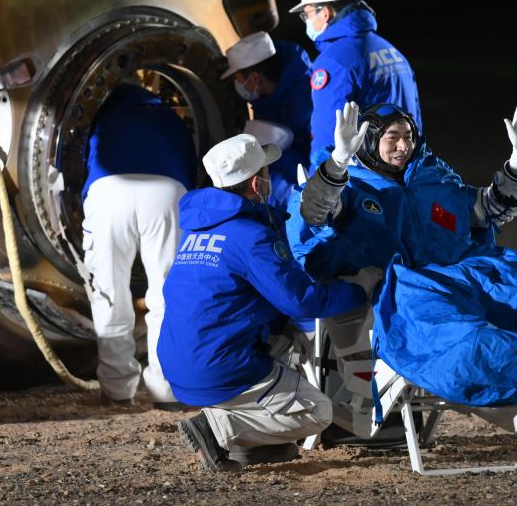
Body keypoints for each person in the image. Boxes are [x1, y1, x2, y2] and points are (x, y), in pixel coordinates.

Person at [287, 100, 517, 408]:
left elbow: (487, 209)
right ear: (370, 140)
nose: (403, 145)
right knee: (470, 342)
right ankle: (510, 366)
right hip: (410, 285)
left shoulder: (432, 176)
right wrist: (338, 162)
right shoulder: (352, 188)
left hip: (469, 272)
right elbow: (316, 210)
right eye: (392, 137)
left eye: (408, 136)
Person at [157, 134, 376, 473]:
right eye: (267, 171)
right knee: (316, 411)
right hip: (219, 369)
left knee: (285, 338)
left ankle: (251, 446)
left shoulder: (198, 231)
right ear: (257, 183)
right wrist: (359, 290)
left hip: (180, 365)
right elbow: (302, 301)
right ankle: (218, 430)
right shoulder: (249, 235)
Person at [81, 83, 197, 408]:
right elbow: (191, 162)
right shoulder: (169, 116)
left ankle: (117, 390)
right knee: (165, 293)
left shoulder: (106, 113)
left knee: (109, 290)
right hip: (167, 189)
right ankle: (166, 389)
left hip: (108, 190)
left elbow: (82, 159)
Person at [289, 0, 423, 155]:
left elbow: (329, 135)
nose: (307, 21)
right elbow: (415, 120)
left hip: (363, 176)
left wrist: (320, 179)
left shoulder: (334, 61)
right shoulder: (391, 51)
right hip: (402, 165)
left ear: (325, 13)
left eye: (307, 14)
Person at [221, 31, 312, 211]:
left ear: (255, 78)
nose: (236, 84)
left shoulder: (308, 102)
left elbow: (315, 155)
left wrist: (270, 158)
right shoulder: (269, 96)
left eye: (238, 78)